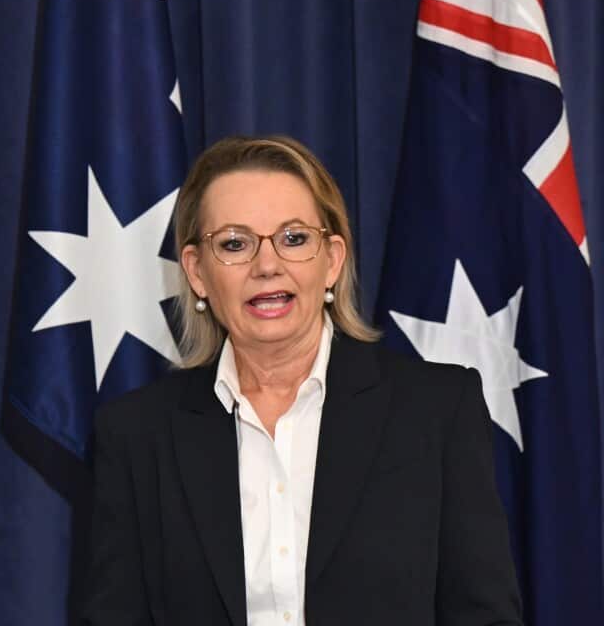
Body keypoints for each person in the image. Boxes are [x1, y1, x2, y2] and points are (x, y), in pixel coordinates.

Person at [81, 135, 521, 625]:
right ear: (197, 273)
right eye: (234, 243)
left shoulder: (437, 411)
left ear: (331, 260)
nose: (267, 266)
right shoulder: (136, 435)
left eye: (293, 238)